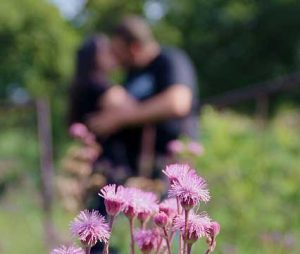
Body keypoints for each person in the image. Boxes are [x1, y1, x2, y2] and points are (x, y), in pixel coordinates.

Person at [87, 16, 199, 178]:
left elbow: (178, 102)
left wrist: (118, 118)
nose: (116, 59)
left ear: (134, 47)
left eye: (118, 52)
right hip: (137, 170)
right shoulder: (132, 73)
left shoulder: (170, 60)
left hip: (171, 167)